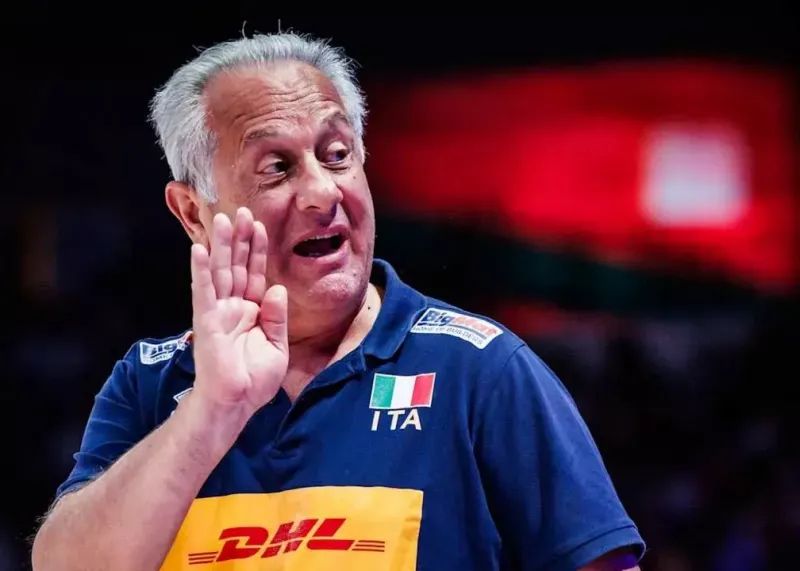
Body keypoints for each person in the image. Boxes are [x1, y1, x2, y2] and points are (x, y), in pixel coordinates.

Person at [32, 32, 646, 570]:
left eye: (337, 155)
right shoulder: (149, 384)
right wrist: (211, 411)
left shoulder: (480, 371)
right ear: (193, 212)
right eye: (277, 167)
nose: (323, 192)